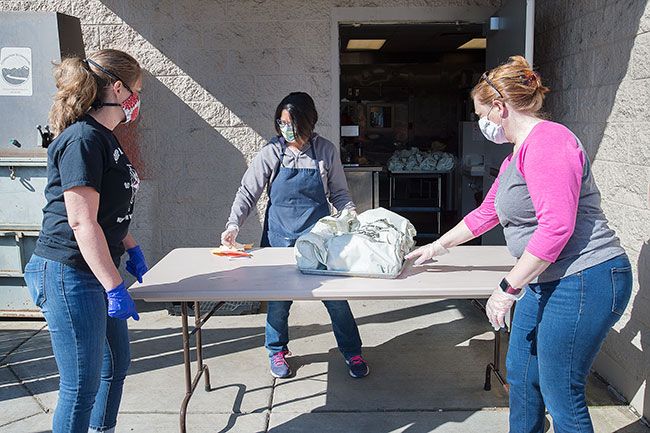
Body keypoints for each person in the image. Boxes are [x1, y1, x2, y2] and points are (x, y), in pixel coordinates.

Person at [406, 56, 632, 433]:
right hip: (548, 279)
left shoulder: (549, 143)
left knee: (562, 390)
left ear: (500, 107)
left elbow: (557, 228)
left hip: (586, 277)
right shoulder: (517, 155)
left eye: (483, 115)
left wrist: (508, 287)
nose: (484, 126)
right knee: (522, 372)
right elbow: (487, 212)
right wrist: (436, 246)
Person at [24, 49, 148, 433]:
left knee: (116, 365)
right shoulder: (82, 139)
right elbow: (80, 221)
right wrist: (114, 285)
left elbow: (107, 209)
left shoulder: (106, 138)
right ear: (117, 87)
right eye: (137, 90)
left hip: (96, 267)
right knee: (81, 386)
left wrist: (130, 246)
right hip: (68, 272)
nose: (137, 99)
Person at [221, 92, 369, 379]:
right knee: (278, 302)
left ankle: (352, 351)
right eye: (281, 122)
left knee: (336, 299)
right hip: (279, 240)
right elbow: (248, 192)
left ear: (308, 123)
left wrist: (352, 218)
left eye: (290, 123)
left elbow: (339, 193)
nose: (284, 128)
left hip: (318, 240)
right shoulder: (271, 152)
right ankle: (276, 350)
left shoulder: (324, 150)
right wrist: (233, 225)